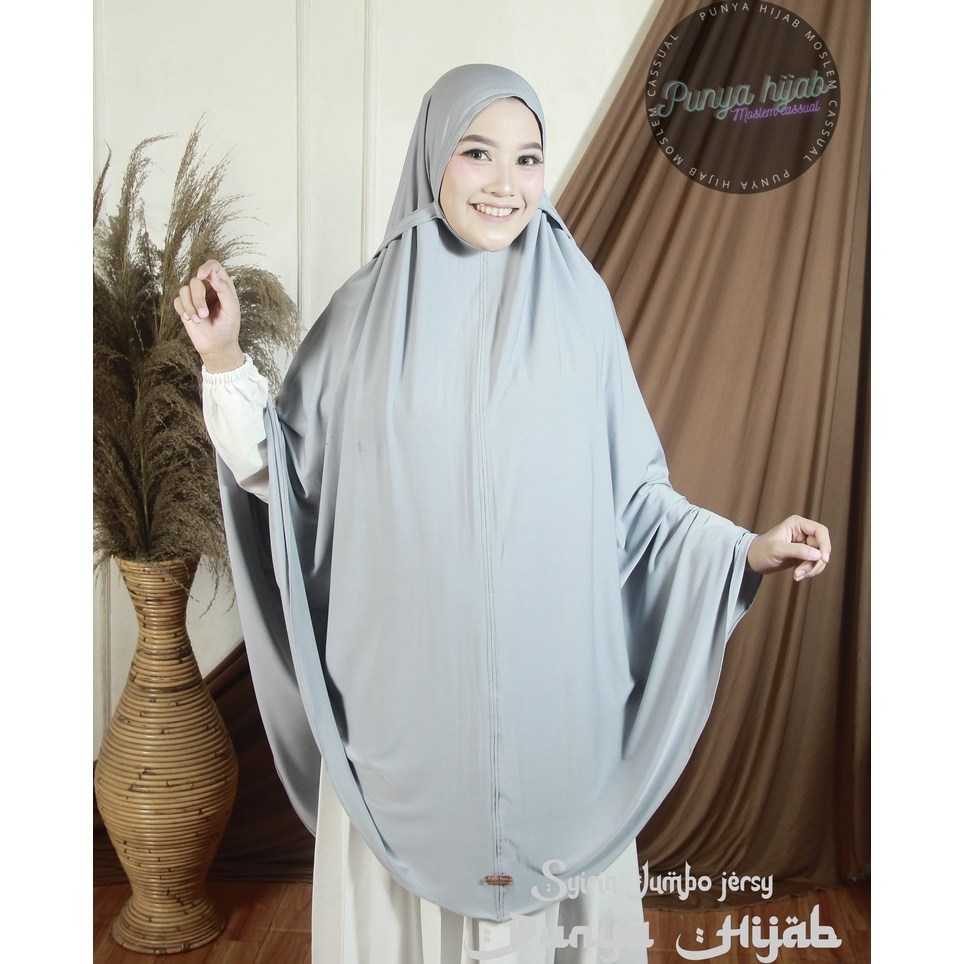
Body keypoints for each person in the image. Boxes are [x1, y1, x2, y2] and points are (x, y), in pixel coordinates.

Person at [175, 65, 830, 964]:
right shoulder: (363, 314)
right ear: (432, 158)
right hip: (406, 709)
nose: (504, 183)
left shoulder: (580, 304)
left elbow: (635, 500)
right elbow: (283, 480)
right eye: (477, 153)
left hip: (554, 707)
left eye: (527, 158)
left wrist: (745, 550)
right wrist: (223, 359)